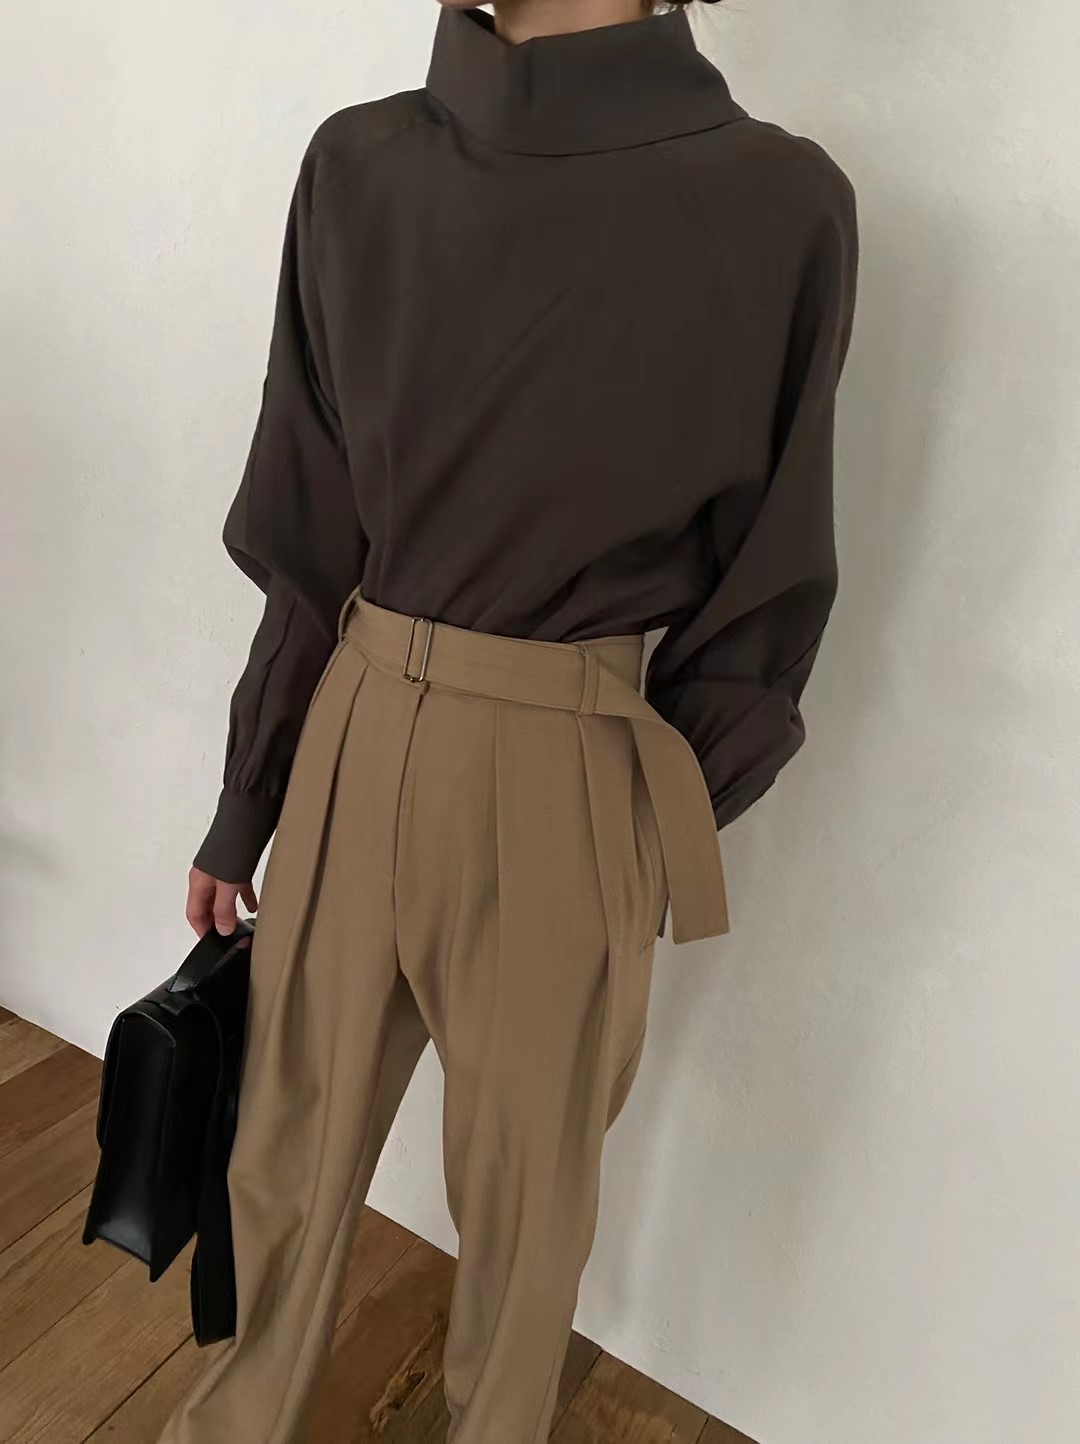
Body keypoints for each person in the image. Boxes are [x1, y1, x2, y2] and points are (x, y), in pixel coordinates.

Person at [162, 0, 858, 1439]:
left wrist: (634, 830)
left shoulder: (783, 204)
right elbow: (312, 531)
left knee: (527, 1208)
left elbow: (769, 588)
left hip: (572, 756)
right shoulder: (357, 167)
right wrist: (249, 798)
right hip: (358, 716)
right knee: (281, 1152)